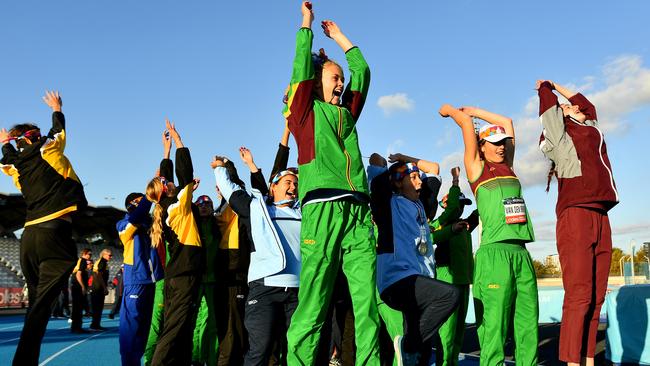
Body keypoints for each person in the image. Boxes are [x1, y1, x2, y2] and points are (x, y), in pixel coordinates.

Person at [282, 2, 379, 364]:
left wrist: (339, 37)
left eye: (340, 79)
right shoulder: (304, 112)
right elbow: (299, 72)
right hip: (321, 211)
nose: (340, 83)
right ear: (316, 80)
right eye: (333, 78)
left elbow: (363, 72)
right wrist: (305, 24)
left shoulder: (347, 112)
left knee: (367, 303)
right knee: (314, 304)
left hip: (358, 214)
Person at [439, 104, 538, 365]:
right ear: (482, 146)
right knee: (494, 329)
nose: (501, 146)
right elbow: (466, 127)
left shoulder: (509, 165)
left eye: (503, 142)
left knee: (527, 327)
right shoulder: (476, 169)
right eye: (494, 143)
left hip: (521, 254)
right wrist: (452, 111)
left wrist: (475, 110)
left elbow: (507, 120)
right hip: (494, 255)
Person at [0, 91, 88, 366]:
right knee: (39, 309)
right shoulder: (48, 149)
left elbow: (7, 160)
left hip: (29, 237)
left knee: (37, 310)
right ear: (32, 138)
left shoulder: (15, 167)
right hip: (54, 235)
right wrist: (57, 108)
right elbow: (58, 131)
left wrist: (6, 144)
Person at [536, 80, 618, 366]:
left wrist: (559, 85)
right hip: (576, 215)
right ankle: (572, 361)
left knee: (596, 295)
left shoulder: (591, 129)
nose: (577, 108)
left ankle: (587, 359)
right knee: (579, 293)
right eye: (569, 107)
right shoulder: (561, 135)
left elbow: (588, 105)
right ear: (562, 115)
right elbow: (549, 107)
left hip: (601, 214)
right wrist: (545, 88)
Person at [213, 145, 302, 366]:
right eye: (288, 182)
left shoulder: (304, 212)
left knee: (297, 350)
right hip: (265, 289)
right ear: (273, 188)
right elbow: (231, 190)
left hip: (298, 291)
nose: (293, 186)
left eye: (295, 183)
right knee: (260, 351)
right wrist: (220, 168)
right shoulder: (258, 209)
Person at [370, 155, 459, 366]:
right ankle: (409, 344)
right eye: (413, 177)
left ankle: (411, 350)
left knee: (422, 355)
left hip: (420, 280)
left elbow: (434, 167)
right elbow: (376, 161)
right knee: (449, 295)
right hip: (398, 281)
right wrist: (393, 164)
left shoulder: (421, 205)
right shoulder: (388, 204)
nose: (419, 181)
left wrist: (404, 158)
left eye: (419, 177)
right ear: (398, 182)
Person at [148, 120, 204, 365]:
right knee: (175, 327)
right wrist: (179, 142)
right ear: (165, 191)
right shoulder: (176, 207)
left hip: (180, 275)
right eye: (164, 182)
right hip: (184, 275)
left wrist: (166, 152)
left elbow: (170, 178)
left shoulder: (166, 206)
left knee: (182, 325)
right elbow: (185, 174)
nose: (167, 180)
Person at [431, 167, 479, 366]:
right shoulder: (439, 224)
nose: (461, 208)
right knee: (447, 331)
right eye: (458, 204)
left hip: (463, 282)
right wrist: (455, 181)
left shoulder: (465, 225)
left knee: (458, 331)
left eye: (463, 205)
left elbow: (480, 209)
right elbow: (449, 211)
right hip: (446, 280)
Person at [116, 192, 164, 366]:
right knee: (130, 331)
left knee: (143, 332)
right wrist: (149, 196)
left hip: (151, 283)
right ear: (130, 204)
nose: (142, 204)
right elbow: (137, 216)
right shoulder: (124, 224)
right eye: (138, 201)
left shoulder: (148, 224)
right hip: (135, 281)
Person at [213, 160, 251, 366]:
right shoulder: (221, 208)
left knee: (233, 328)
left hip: (236, 273)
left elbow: (237, 189)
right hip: (226, 274)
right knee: (227, 327)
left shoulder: (235, 205)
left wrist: (228, 168)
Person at [191, 194, 221, 366]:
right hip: (193, 281)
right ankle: (193, 357)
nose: (203, 206)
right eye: (200, 204)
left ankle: (210, 359)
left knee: (211, 322)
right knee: (191, 321)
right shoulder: (191, 224)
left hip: (212, 280)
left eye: (208, 204)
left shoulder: (218, 226)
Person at [70, 248, 92, 333]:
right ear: (84, 254)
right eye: (89, 254)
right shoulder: (82, 261)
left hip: (75, 286)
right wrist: (83, 286)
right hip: (77, 287)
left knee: (77, 307)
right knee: (78, 307)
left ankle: (75, 327)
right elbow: (78, 274)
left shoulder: (80, 261)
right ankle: (77, 327)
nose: (90, 256)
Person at [90, 248, 112, 330]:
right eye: (109, 255)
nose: (111, 257)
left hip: (99, 288)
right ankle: (94, 325)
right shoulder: (101, 262)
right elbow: (99, 275)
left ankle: (96, 324)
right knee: (97, 307)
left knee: (99, 307)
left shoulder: (104, 262)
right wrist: (104, 287)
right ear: (104, 255)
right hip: (97, 288)